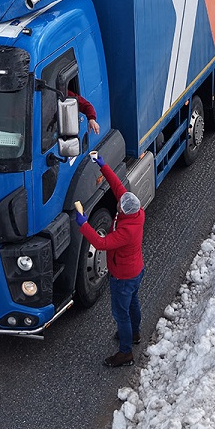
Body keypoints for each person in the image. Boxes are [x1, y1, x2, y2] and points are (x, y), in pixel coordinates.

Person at [75, 152, 144, 367]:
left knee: (120, 313)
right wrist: (102, 165)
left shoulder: (126, 231)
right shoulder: (136, 213)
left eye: (120, 204)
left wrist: (83, 224)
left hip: (123, 277)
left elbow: (101, 243)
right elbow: (117, 187)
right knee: (133, 303)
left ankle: (125, 353)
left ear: (123, 210)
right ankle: (134, 334)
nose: (118, 201)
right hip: (135, 271)